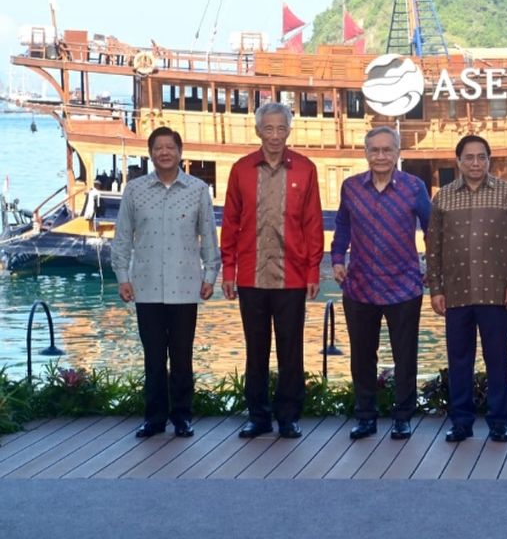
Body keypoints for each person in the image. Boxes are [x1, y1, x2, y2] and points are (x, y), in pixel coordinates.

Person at [220, 102, 324, 440]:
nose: (275, 135)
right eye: (269, 128)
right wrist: (228, 270)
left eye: (281, 128)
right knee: (256, 349)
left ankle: (290, 417)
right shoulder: (241, 169)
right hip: (250, 276)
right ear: (258, 131)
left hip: (292, 276)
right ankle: (258, 416)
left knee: (291, 349)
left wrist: (313, 273)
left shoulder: (306, 170)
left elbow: (312, 225)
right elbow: (230, 223)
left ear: (289, 131)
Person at [112, 126, 219, 438]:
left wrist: (210, 275)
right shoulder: (135, 190)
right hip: (145, 286)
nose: (164, 153)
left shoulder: (198, 189)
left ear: (180, 152)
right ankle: (154, 418)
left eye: (170, 147)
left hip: (186, 285)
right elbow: (122, 238)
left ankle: (183, 417)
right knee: (154, 358)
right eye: (158, 148)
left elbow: (209, 238)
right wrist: (122, 277)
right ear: (150, 153)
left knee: (183, 356)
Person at [426, 134, 507, 443]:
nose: (475, 163)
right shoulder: (442, 198)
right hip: (456, 294)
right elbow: (434, 247)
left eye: (481, 157)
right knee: (459, 360)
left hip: (498, 294)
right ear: (457, 161)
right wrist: (436, 288)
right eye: (469, 157)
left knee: (498, 359)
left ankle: (499, 422)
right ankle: (461, 422)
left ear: (489, 159)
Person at [331, 126, 432, 442]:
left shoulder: (414, 187)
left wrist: (431, 265)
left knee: (405, 355)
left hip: (404, 285)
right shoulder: (351, 188)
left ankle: (402, 418)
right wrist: (336, 259)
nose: (381, 156)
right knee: (362, 356)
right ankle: (365, 417)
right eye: (374, 150)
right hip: (360, 285)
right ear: (365, 153)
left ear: (398, 152)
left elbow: (432, 229)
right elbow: (343, 225)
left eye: (387, 150)